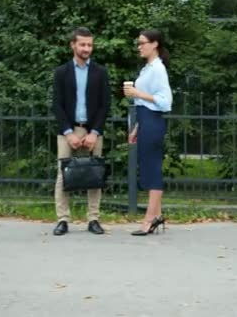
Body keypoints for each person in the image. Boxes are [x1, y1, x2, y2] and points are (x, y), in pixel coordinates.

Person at [52, 27, 111, 236]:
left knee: (94, 173)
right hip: (68, 129)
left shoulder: (100, 72)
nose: (87, 48)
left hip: (92, 129)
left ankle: (93, 219)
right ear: (73, 45)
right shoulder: (61, 72)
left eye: (90, 45)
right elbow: (57, 104)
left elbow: (105, 105)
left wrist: (94, 132)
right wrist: (68, 132)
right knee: (63, 174)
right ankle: (63, 220)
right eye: (83, 44)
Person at [123, 29, 172, 236]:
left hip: (153, 122)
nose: (139, 46)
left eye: (143, 43)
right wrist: (137, 126)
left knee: (152, 170)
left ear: (155, 44)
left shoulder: (158, 69)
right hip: (146, 121)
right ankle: (157, 215)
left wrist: (136, 93)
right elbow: (145, 103)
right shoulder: (148, 68)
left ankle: (149, 220)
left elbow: (165, 101)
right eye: (139, 43)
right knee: (148, 167)